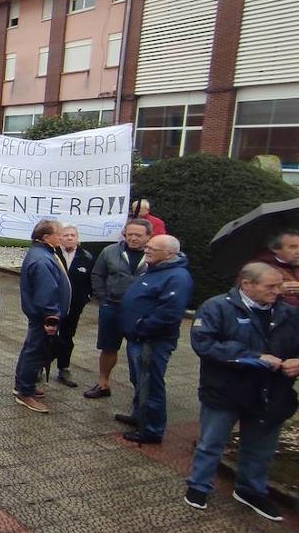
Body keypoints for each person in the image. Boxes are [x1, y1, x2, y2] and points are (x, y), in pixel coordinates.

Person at [184, 262, 299, 520]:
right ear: (246, 284)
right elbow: (205, 343)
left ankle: (251, 490)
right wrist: (254, 357)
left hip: (271, 393)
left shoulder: (288, 313)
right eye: (270, 286)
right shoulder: (217, 307)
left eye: (278, 285)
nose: (277, 291)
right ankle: (198, 486)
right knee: (211, 442)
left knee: (261, 447)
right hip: (226, 390)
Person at [117, 234, 193, 444]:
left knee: (150, 384)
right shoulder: (155, 269)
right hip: (139, 338)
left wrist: (142, 327)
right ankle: (139, 415)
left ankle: (151, 430)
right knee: (140, 380)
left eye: (152, 249)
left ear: (169, 254)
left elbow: (169, 313)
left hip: (152, 340)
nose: (146, 251)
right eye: (147, 247)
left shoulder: (177, 277)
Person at [84, 218, 152, 399]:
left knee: (137, 351)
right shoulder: (110, 251)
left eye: (138, 235)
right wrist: (103, 298)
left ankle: (140, 391)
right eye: (129, 234)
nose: (133, 238)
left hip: (140, 312)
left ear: (148, 236)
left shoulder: (154, 255)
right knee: (108, 347)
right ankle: (103, 383)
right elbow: (98, 274)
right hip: (112, 307)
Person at [13, 220, 70, 414]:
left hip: (40, 314)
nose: (62, 237)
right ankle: (24, 391)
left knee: (31, 348)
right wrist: (51, 318)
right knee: (34, 351)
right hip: (43, 316)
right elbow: (46, 293)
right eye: (58, 234)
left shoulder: (42, 253)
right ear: (46, 237)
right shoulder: (43, 259)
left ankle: (22, 384)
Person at [54, 224, 94, 388]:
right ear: (59, 238)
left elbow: (92, 280)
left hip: (75, 306)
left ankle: (63, 368)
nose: (69, 238)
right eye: (65, 235)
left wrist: (86, 297)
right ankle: (39, 367)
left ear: (78, 238)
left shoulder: (87, 257)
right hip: (53, 304)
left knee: (67, 336)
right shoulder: (52, 255)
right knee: (46, 336)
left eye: (73, 235)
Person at [251, 229, 299, 306]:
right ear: (275, 249)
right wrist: (278, 291)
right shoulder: (258, 268)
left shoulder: (295, 264)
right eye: (293, 247)